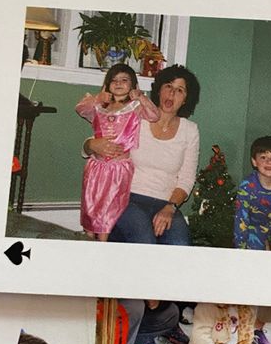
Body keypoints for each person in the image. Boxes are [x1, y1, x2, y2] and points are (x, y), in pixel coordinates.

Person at [84, 64, 201, 247]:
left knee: (180, 243)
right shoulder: (137, 114)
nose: (171, 94)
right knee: (144, 241)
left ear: (186, 99)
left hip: (166, 203)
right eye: (168, 86)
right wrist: (90, 144)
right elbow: (101, 138)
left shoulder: (190, 130)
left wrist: (170, 207)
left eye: (180, 90)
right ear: (159, 90)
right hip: (126, 197)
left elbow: (186, 179)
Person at [76, 63, 160, 241]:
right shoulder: (99, 106)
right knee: (91, 206)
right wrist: (100, 96)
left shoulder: (135, 107)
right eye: (113, 80)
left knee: (109, 210)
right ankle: (87, 241)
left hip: (118, 168)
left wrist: (141, 97)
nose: (119, 83)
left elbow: (154, 115)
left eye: (124, 80)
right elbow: (81, 108)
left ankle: (103, 243)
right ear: (107, 85)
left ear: (133, 85)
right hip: (96, 166)